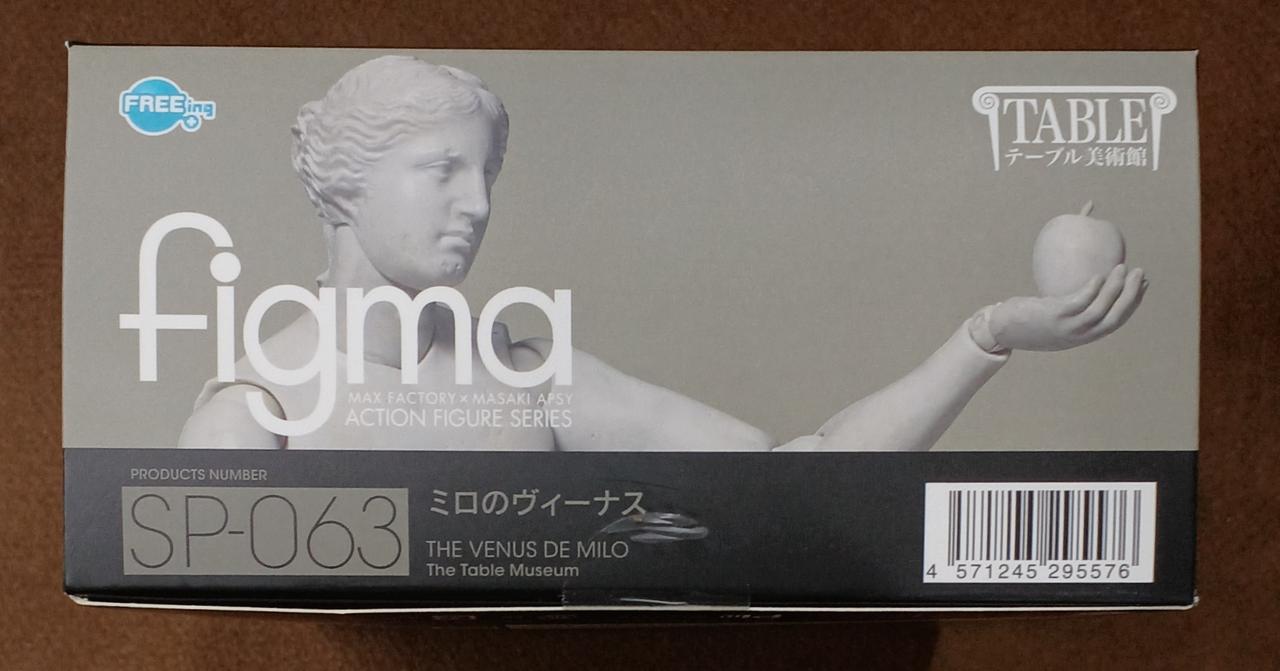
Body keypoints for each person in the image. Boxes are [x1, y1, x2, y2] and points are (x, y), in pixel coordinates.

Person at [178, 55, 1147, 452]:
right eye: (441, 170)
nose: (477, 204)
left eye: (488, 174)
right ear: (344, 183)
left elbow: (800, 469)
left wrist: (984, 336)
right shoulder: (256, 411)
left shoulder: (526, 377)